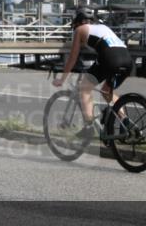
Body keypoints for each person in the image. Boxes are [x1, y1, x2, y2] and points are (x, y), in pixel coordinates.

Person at [53, 8, 134, 140]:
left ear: (78, 23)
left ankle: (89, 128)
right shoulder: (102, 27)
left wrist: (62, 79)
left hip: (110, 59)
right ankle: (125, 120)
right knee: (107, 91)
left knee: (84, 89)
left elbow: (72, 58)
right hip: (127, 60)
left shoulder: (80, 30)